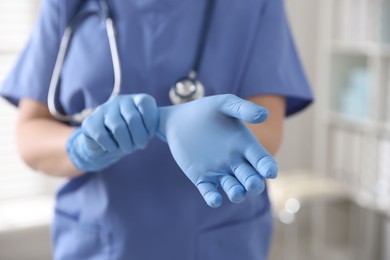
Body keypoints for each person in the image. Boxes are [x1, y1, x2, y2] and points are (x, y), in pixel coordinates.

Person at [1, 0, 313, 259]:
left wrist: (219, 132)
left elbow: (266, 128)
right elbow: (31, 133)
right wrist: (82, 146)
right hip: (98, 243)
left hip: (218, 241)